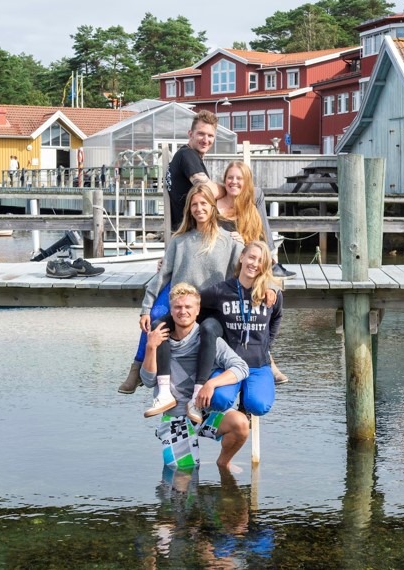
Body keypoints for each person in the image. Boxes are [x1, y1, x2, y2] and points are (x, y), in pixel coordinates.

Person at [119, 184, 243, 410]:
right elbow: (161, 277)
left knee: (207, 330)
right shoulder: (179, 241)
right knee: (158, 326)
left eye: (204, 203)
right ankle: (164, 392)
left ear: (213, 206)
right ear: (189, 210)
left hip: (212, 311)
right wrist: (146, 308)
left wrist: (268, 289)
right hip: (182, 309)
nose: (199, 208)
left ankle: (198, 393)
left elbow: (245, 275)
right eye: (194, 205)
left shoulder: (230, 241)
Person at [167, 110, 295, 278]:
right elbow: (209, 192)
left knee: (245, 202)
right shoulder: (187, 155)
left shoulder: (186, 156)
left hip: (196, 221)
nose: (206, 140)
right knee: (255, 193)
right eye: (201, 134)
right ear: (190, 134)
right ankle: (269, 258)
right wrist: (229, 189)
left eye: (210, 136)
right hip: (194, 225)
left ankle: (259, 252)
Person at [141, 282, 250, 472]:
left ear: (198, 309)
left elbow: (241, 368)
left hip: (204, 413)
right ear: (171, 309)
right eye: (178, 307)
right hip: (175, 418)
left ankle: (223, 463)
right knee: (182, 482)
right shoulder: (158, 338)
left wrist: (211, 384)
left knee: (241, 424)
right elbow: (148, 381)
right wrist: (150, 348)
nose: (183, 311)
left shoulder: (209, 339)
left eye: (188, 307)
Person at [216, 162, 290, 384]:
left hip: (247, 268)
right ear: (224, 179)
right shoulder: (215, 205)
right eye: (230, 177)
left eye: (239, 178)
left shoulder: (250, 208)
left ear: (246, 182)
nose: (234, 182)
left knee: (265, 303)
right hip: (222, 268)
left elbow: (261, 242)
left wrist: (245, 242)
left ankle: (266, 355)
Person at [197, 241, 283, 417]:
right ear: (242, 257)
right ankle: (219, 421)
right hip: (230, 364)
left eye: (260, 261)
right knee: (218, 400)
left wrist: (267, 345)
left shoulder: (271, 294)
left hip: (258, 364)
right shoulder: (221, 291)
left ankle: (245, 404)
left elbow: (276, 318)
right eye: (251, 257)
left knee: (258, 405)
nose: (254, 264)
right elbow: (194, 306)